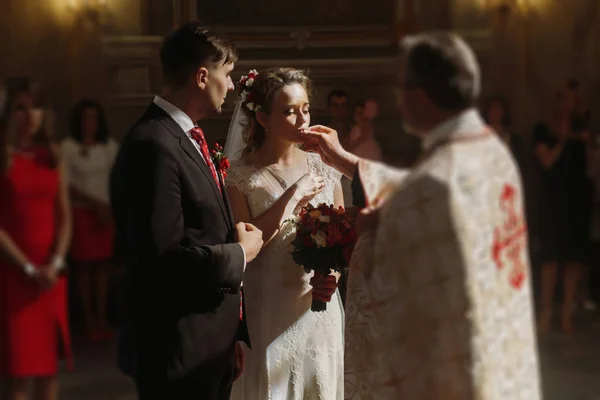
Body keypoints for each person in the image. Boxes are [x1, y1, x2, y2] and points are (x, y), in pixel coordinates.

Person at [303, 31, 541, 399]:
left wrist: (364, 233)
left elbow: (387, 275)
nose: (399, 98)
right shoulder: (488, 149)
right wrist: (347, 162)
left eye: (402, 87)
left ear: (419, 94)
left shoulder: (435, 179)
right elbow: (417, 190)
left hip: (449, 369)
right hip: (497, 349)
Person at [109, 22, 264, 400]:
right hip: (179, 351)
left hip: (209, 344)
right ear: (201, 76)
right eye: (226, 75)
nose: (231, 87)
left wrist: (231, 337)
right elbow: (161, 261)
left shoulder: (182, 136)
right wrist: (240, 254)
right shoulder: (153, 145)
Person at [225, 68, 344, 400]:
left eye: (305, 108)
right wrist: (294, 195)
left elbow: (341, 239)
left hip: (316, 304)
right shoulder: (238, 177)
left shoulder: (326, 166)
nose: (301, 118)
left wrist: (332, 275)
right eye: (289, 111)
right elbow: (247, 248)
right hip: (268, 304)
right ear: (263, 117)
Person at [0, 77, 72, 400]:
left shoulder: (53, 155)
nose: (29, 115)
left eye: (36, 107)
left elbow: (65, 217)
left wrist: (54, 263)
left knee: (48, 370)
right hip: (14, 277)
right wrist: (28, 268)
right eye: (21, 108)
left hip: (51, 277)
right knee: (17, 373)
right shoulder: (4, 157)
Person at [533, 88, 593, 333]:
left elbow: (590, 167)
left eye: (573, 101)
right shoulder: (543, 130)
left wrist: (588, 144)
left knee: (572, 258)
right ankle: (547, 312)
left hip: (577, 199)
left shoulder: (583, 131)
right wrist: (565, 139)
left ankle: (567, 313)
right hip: (552, 199)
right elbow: (546, 162)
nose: (569, 105)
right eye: (564, 99)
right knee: (550, 257)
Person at [62, 100, 119, 341]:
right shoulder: (68, 147)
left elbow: (118, 178)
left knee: (103, 267)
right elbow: (65, 184)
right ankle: (88, 319)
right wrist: (94, 203)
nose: (90, 123)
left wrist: (108, 207)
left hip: (106, 213)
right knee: (84, 268)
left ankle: (103, 318)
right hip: (82, 212)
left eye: (94, 118)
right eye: (86, 118)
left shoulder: (109, 146)